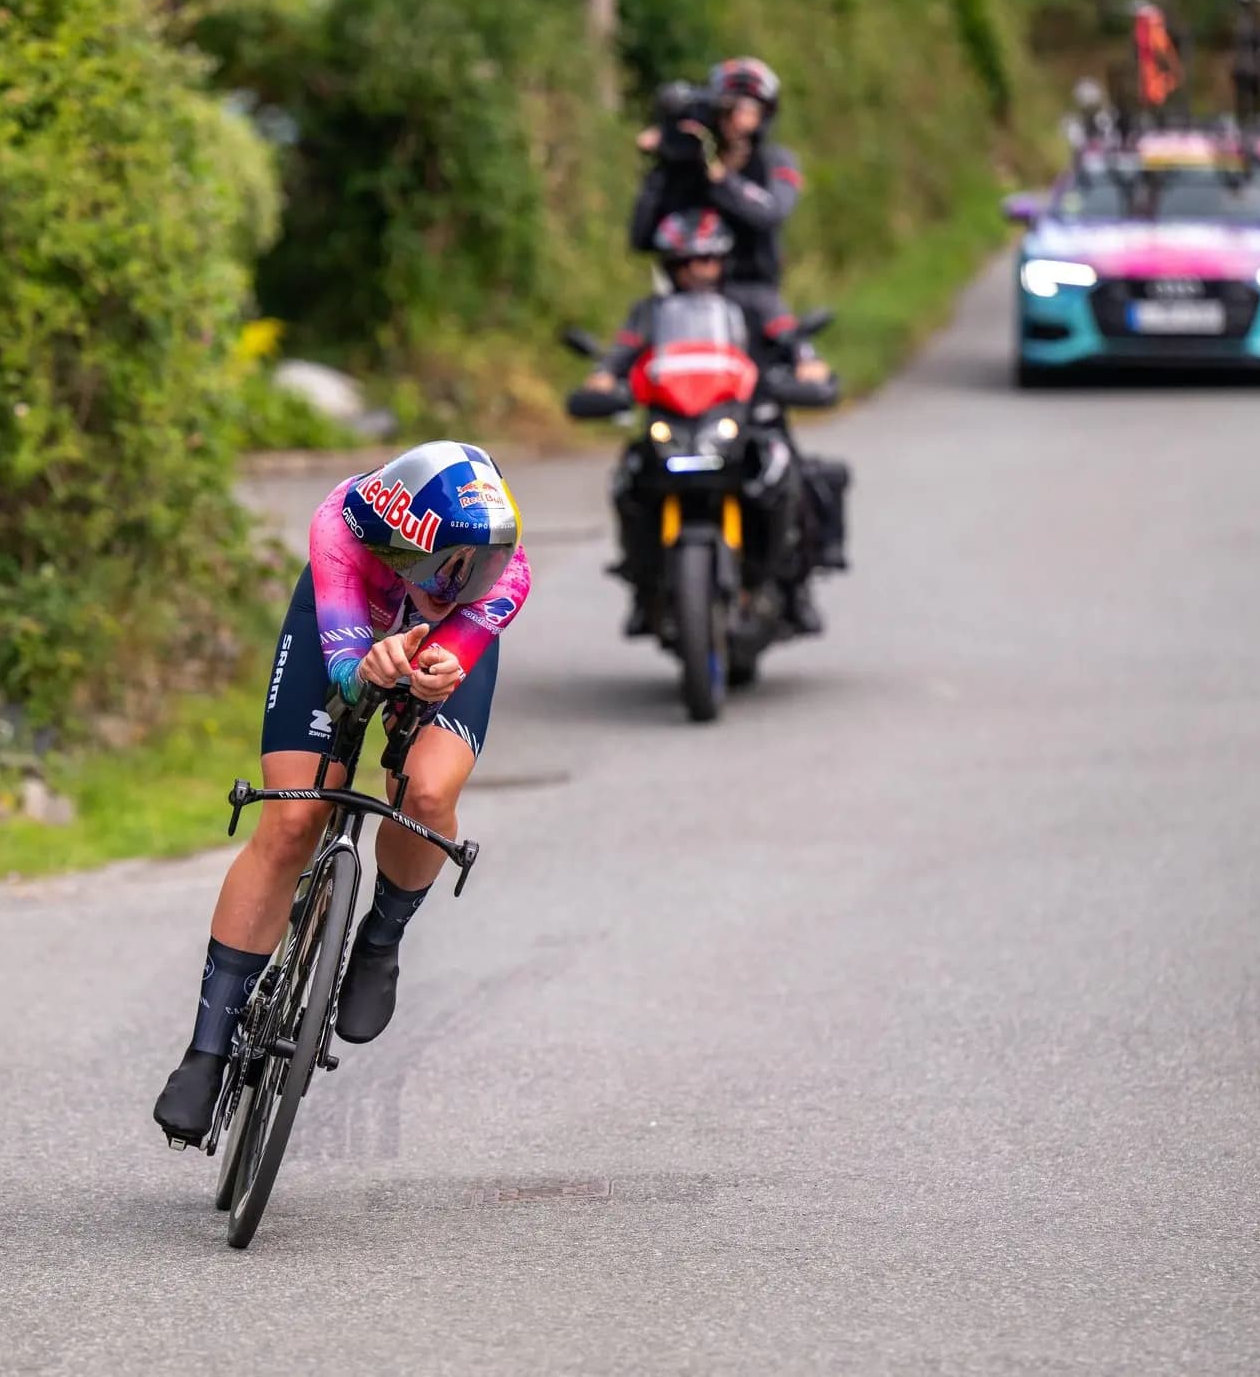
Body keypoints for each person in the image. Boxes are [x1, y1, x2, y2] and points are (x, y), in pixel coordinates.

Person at [152, 442, 530, 1144]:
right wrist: (371, 670)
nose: (471, 581)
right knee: (294, 819)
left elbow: (462, 638)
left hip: (436, 651)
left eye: (486, 566)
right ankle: (206, 1050)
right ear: (408, 545)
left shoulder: (501, 578)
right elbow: (349, 676)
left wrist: (440, 666)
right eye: (454, 566)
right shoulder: (341, 528)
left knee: (424, 797)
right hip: (346, 627)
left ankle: (380, 939)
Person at [582, 209, 834, 637]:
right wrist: (604, 378)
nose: (699, 270)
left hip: (745, 420)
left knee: (785, 471)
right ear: (670, 266)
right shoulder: (652, 312)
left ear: (723, 259)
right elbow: (620, 355)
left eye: (708, 259)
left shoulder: (754, 301)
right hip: (675, 424)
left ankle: (793, 583)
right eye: (686, 262)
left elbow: (793, 341)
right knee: (628, 478)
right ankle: (644, 581)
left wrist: (806, 366)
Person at [628, 57, 802, 334]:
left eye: (747, 109)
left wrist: (721, 178)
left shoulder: (776, 162)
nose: (736, 119)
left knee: (799, 364)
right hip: (683, 306)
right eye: (728, 108)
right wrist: (664, 164)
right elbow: (641, 236)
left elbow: (771, 212)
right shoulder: (690, 163)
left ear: (764, 114)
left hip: (753, 299)